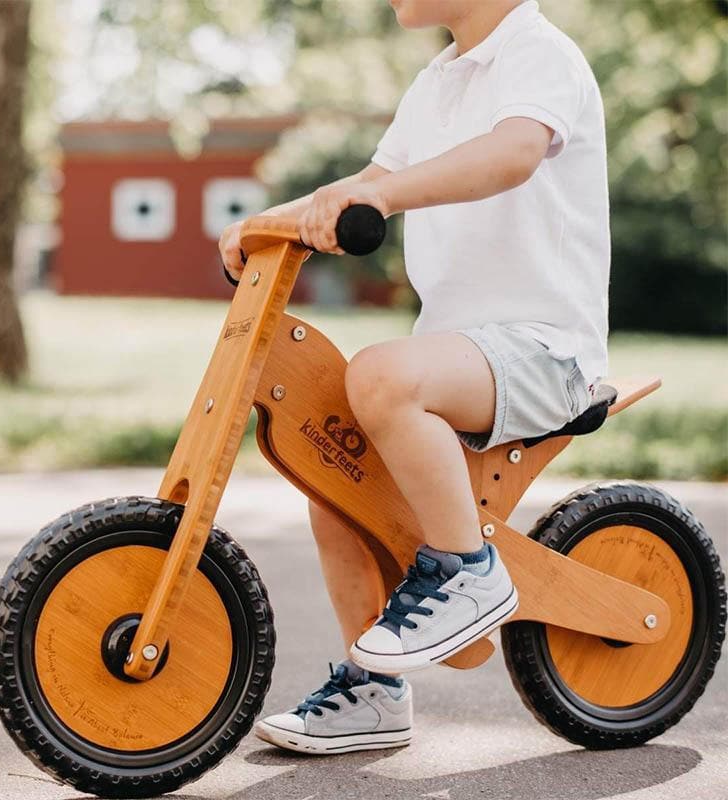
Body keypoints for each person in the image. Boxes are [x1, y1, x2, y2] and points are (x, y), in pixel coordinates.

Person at [219, 0, 609, 755]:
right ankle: (373, 692)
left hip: (546, 351)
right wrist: (268, 222)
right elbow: (372, 178)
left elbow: (511, 154)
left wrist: (384, 198)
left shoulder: (539, 54)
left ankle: (469, 572)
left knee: (379, 377)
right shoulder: (437, 81)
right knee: (328, 465)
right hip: (461, 355)